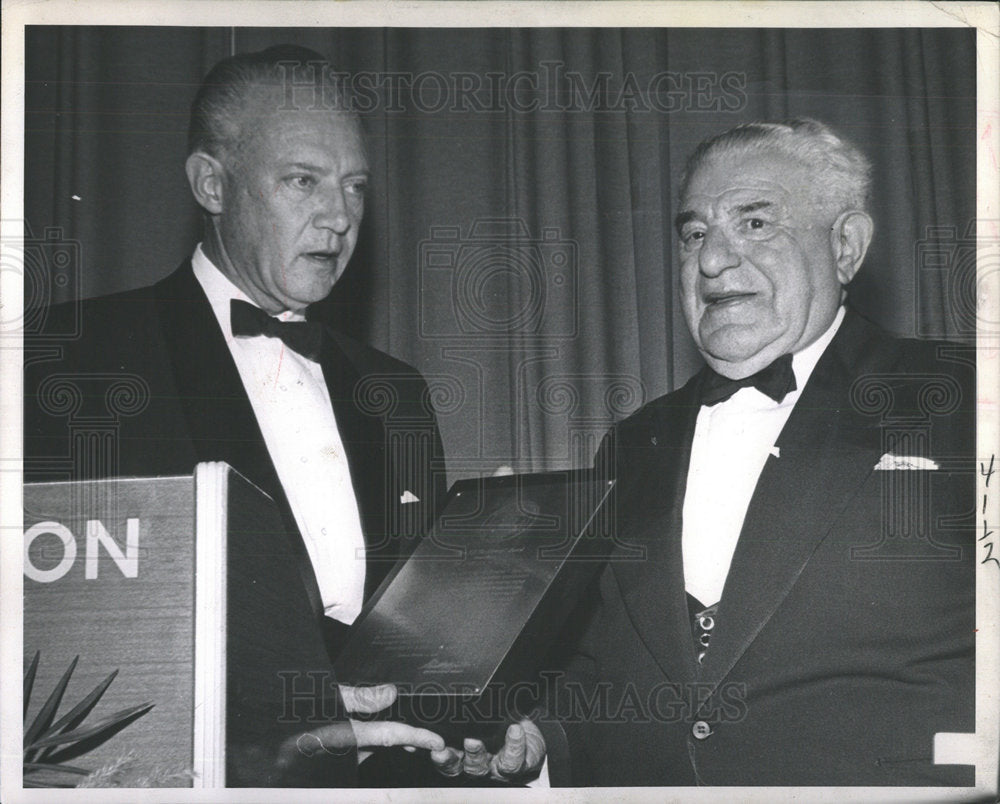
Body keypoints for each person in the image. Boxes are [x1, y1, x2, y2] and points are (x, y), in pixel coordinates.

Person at [432, 119, 975, 787]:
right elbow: (602, 665)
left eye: (754, 224)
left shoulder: (964, 397)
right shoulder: (634, 443)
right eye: (695, 235)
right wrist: (539, 736)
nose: (712, 260)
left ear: (845, 247)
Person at [24, 45, 447, 786]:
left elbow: (419, 641)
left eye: (354, 185)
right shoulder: (69, 358)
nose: (340, 215)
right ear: (212, 184)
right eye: (302, 181)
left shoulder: (395, 390)